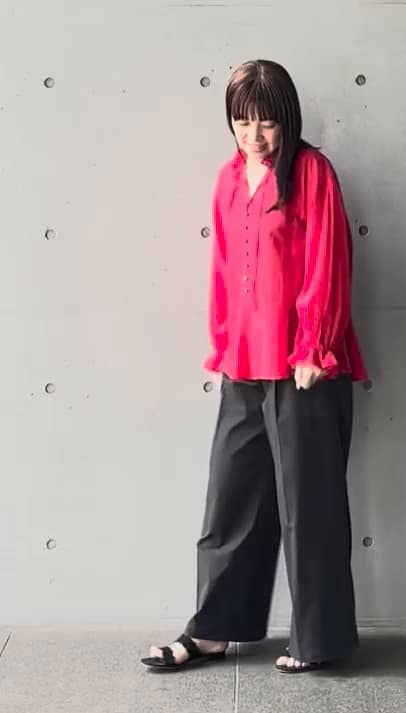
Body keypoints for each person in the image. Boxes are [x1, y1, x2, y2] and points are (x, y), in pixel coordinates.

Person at [141, 59, 369, 675]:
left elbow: (329, 261)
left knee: (309, 507)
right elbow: (222, 270)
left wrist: (315, 347)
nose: (255, 136)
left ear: (288, 121)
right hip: (244, 362)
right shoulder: (226, 178)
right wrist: (223, 344)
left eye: (267, 123)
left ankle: (318, 641)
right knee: (231, 499)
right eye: (243, 123)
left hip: (304, 367)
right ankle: (213, 631)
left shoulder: (312, 172)